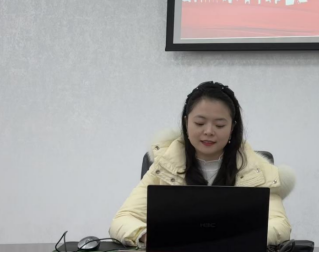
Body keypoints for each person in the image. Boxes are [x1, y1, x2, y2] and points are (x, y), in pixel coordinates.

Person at [110, 81, 294, 248]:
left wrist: (241, 237)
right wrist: (148, 235)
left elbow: (280, 225)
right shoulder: (165, 165)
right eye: (199, 123)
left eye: (219, 125)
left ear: (232, 127)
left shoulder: (256, 170)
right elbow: (122, 219)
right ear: (186, 122)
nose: (208, 131)